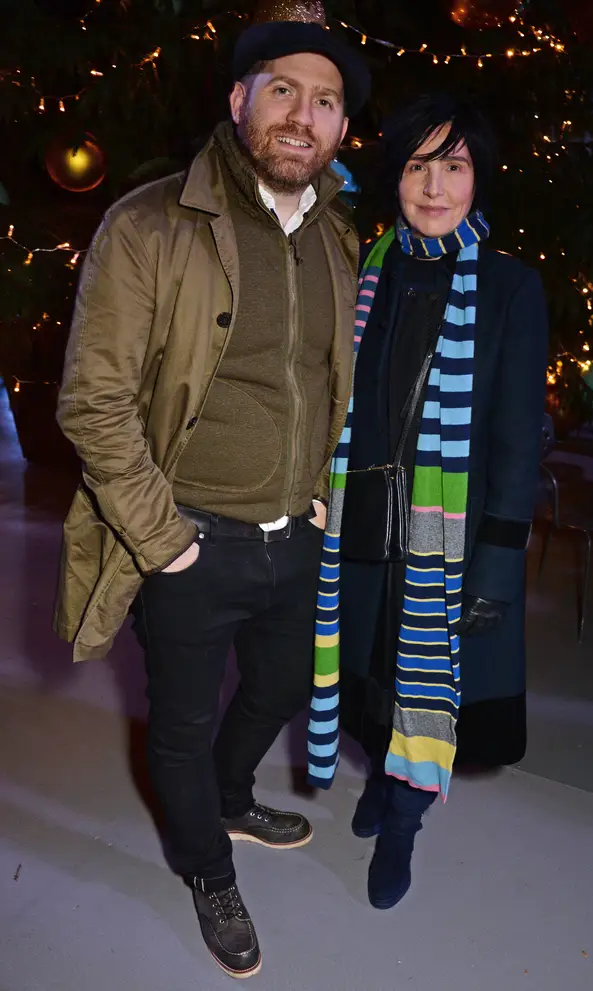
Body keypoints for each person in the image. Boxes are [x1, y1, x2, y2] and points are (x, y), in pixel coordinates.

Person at [54, 19, 370, 980]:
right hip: (186, 536)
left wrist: (319, 496)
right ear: (239, 100)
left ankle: (233, 795)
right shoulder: (151, 224)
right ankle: (206, 865)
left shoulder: (338, 234)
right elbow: (93, 401)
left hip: (294, 535)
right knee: (181, 728)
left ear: (342, 127)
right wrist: (166, 541)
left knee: (275, 690)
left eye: (324, 102)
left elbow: (326, 383)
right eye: (282, 90)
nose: (301, 116)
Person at [307, 92, 548, 910]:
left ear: (479, 179)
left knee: (426, 684)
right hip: (365, 522)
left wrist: (497, 567)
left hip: (453, 536)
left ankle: (404, 820)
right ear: (395, 175)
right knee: (373, 675)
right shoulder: (367, 269)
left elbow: (519, 437)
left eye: (455, 165)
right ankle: (380, 780)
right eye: (418, 165)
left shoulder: (512, 290)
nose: (435, 185)